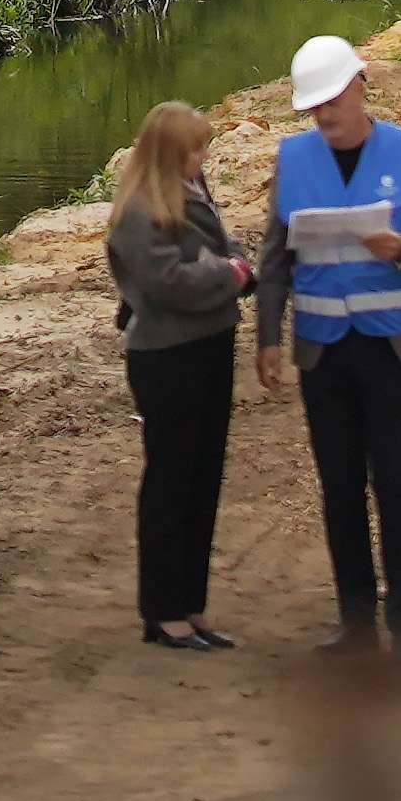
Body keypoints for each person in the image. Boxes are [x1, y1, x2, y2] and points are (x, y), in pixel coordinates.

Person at [251, 32, 401, 655]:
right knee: (340, 486)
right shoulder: (292, 159)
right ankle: (355, 616)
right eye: (315, 108)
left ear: (361, 86)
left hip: (396, 349)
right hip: (324, 349)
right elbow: (275, 257)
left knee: (398, 481)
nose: (325, 116)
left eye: (333, 102)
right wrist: (267, 336)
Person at [100, 99, 253, 650]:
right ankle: (162, 610)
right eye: (196, 148)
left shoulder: (191, 193)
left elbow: (224, 248)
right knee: (171, 479)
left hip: (209, 345)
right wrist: (230, 273)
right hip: (167, 357)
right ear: (169, 154)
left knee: (203, 477)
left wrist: (230, 266)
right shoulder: (138, 211)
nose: (204, 156)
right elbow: (169, 281)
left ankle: (191, 602)